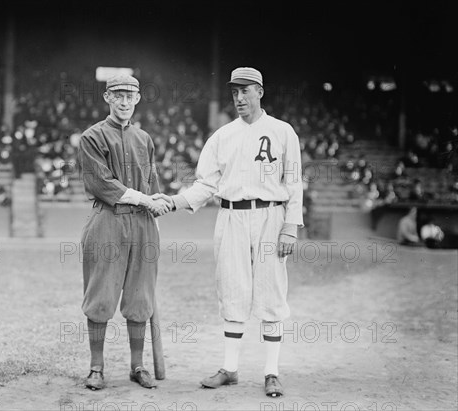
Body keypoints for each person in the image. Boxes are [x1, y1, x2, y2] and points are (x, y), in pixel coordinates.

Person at [154, 67, 304, 397]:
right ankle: (230, 368)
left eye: (245, 91)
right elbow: (206, 185)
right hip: (232, 216)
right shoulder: (222, 136)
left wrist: (291, 226)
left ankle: (271, 372)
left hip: (271, 216)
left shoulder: (282, 131)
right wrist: (175, 201)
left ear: (260, 92)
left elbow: (293, 182)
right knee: (232, 288)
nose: (239, 98)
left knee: (271, 290)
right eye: (234, 92)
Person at [77, 74, 171, 391]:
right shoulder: (92, 137)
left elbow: (152, 185)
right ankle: (96, 368)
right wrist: (145, 198)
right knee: (101, 294)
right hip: (107, 220)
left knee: (140, 297)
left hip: (143, 224)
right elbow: (101, 184)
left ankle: (137, 366)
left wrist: (156, 205)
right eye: (117, 95)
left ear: (138, 99)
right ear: (107, 98)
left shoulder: (144, 139)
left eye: (129, 95)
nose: (123, 101)